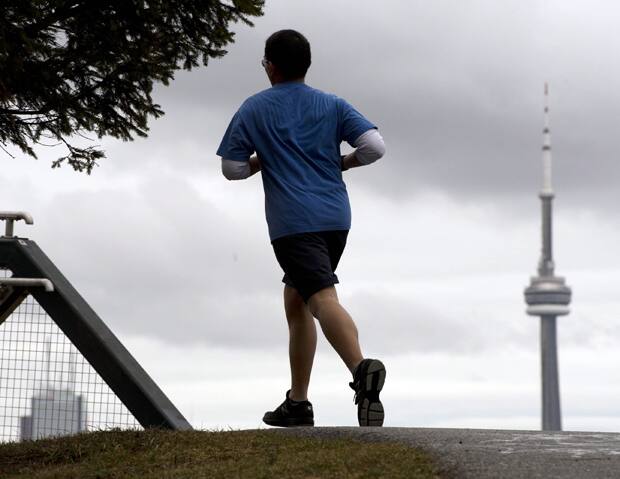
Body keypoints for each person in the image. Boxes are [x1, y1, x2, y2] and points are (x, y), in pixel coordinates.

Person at [217, 29, 386, 427]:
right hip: (336, 217)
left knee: (320, 299)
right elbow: (374, 147)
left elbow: (232, 169)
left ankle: (362, 370)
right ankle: (298, 402)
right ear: (306, 65)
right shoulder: (332, 104)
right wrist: (342, 163)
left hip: (293, 223)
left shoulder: (254, 108)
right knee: (296, 302)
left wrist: (264, 159)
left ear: (269, 66)